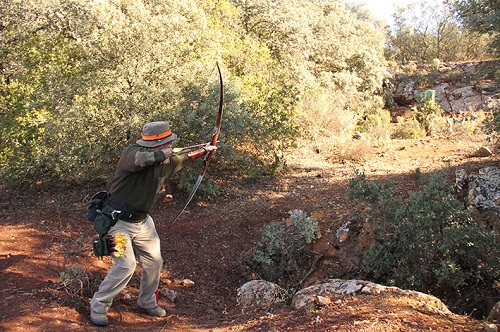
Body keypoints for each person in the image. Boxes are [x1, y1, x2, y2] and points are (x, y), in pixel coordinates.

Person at [90, 121, 216, 326]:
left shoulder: (164, 161)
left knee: (154, 261)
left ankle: (147, 302)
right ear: (157, 143)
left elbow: (183, 157)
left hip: (143, 222)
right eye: (167, 143)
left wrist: (205, 151)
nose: (171, 145)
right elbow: (143, 159)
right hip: (117, 221)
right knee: (126, 265)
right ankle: (98, 306)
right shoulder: (132, 153)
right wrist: (167, 153)